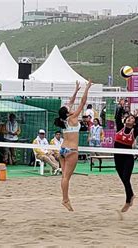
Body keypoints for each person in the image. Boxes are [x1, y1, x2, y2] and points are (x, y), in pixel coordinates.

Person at [54, 80, 93, 211]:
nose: (69, 106)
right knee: (66, 177)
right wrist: (87, 88)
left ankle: (65, 199)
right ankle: (65, 200)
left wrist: (76, 90)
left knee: (64, 176)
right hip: (71, 151)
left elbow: (71, 101)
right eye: (68, 108)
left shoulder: (63, 120)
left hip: (63, 150)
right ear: (67, 112)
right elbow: (83, 102)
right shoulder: (73, 117)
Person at [114, 99, 138, 213]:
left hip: (128, 157)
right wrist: (121, 107)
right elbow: (117, 117)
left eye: (132, 119)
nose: (130, 119)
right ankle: (131, 195)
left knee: (126, 178)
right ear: (125, 120)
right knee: (123, 179)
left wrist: (137, 117)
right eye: (129, 118)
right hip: (118, 156)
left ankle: (128, 200)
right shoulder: (120, 127)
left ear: (134, 122)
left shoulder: (134, 131)